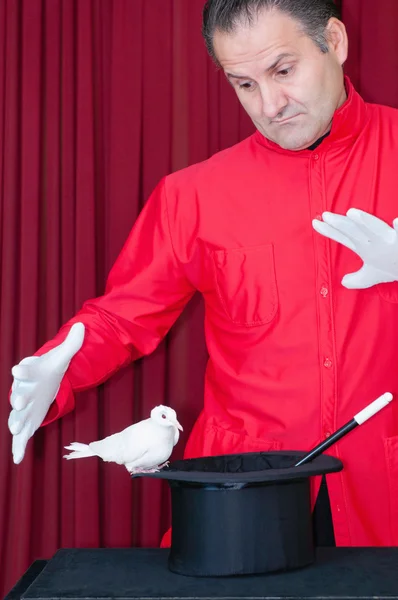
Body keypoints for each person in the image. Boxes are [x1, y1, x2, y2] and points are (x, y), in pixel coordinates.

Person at [8, 0, 398, 549]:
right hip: (241, 489)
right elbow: (122, 317)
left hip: (387, 485)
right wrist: (61, 370)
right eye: (244, 84)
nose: (270, 104)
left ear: (333, 41)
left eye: (283, 71)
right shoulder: (191, 195)